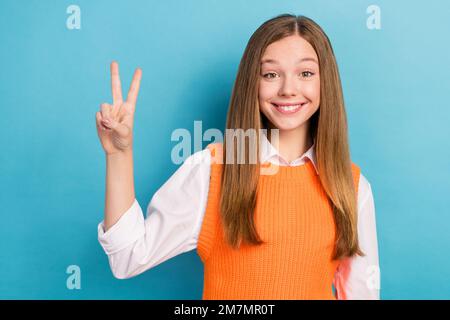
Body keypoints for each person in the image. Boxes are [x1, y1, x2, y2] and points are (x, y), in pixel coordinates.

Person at [95, 14, 380, 300]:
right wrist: (119, 154)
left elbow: (361, 294)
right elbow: (128, 258)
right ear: (252, 84)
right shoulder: (212, 170)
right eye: (270, 74)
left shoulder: (352, 187)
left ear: (324, 82)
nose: (288, 89)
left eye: (305, 73)